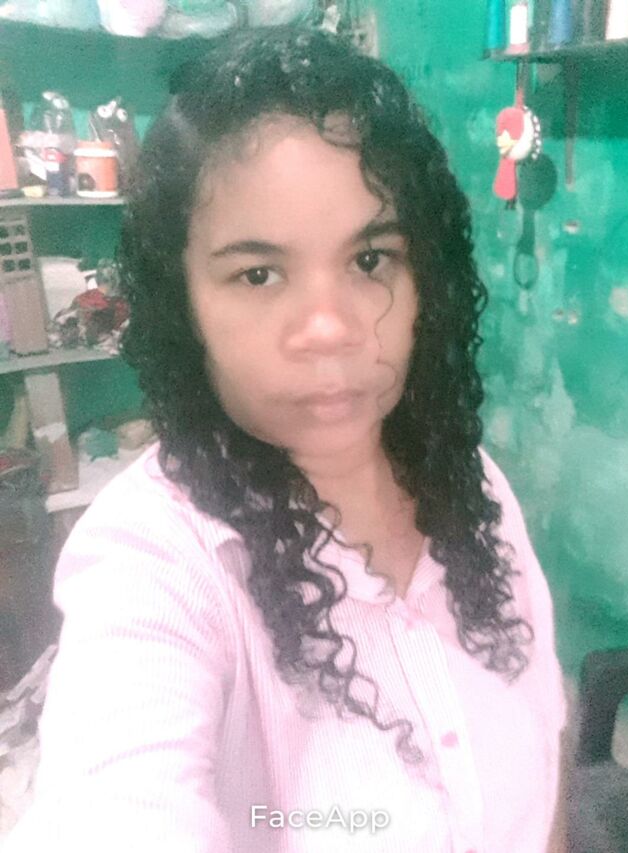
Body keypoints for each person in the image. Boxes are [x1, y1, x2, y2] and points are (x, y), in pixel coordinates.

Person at [3, 22, 568, 853]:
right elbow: (117, 799)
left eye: (371, 260)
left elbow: (544, 750)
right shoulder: (158, 561)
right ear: (183, 305)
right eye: (258, 273)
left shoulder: (471, 484)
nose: (329, 328)